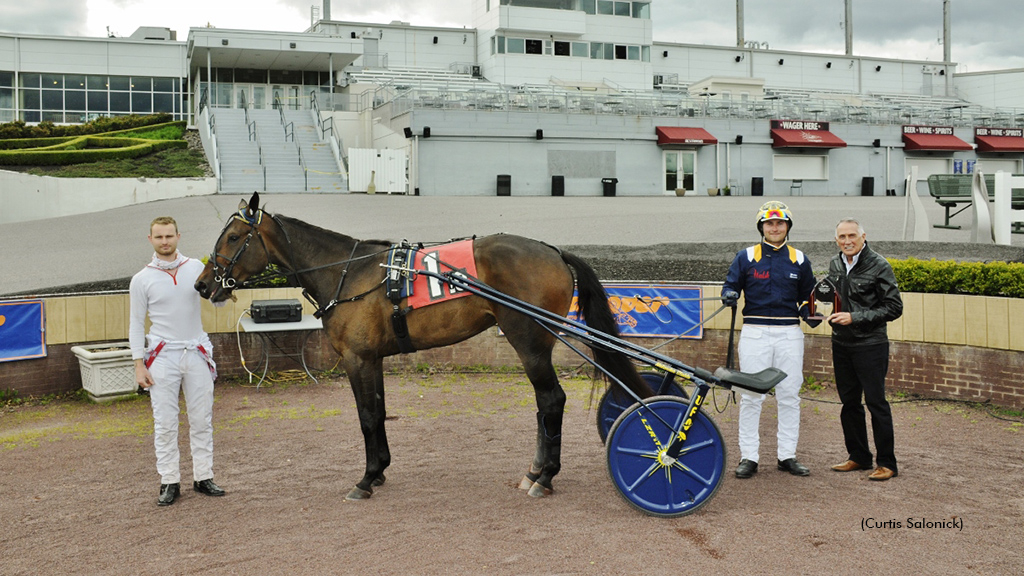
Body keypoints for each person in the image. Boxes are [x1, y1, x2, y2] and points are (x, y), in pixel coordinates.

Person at [130, 216, 225, 506]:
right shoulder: (141, 279)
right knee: (165, 423)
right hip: (161, 357)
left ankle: (203, 476)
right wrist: (138, 364)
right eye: (159, 237)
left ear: (178, 236)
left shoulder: (196, 268)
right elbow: (136, 323)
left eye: (169, 236)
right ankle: (169, 480)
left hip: (195, 353)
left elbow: (218, 302)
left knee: (201, 419)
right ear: (150, 240)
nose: (165, 242)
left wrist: (222, 287)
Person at [721, 201, 818, 479]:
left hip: (789, 333)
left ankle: (786, 455)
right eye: (769, 223)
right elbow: (731, 285)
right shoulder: (746, 256)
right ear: (761, 227)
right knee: (752, 396)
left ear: (787, 226)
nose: (774, 228)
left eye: (780, 223)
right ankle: (749, 456)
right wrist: (729, 295)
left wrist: (809, 313)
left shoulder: (799, 259)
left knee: (789, 395)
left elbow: (806, 296)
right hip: (755, 333)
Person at [826, 218, 903, 481]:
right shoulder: (835, 264)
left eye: (852, 236)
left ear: (863, 237)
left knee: (876, 403)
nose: (847, 241)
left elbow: (894, 308)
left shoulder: (879, 265)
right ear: (836, 240)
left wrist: (854, 317)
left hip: (871, 345)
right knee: (849, 403)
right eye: (842, 237)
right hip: (841, 343)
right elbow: (832, 299)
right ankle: (858, 456)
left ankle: (887, 463)